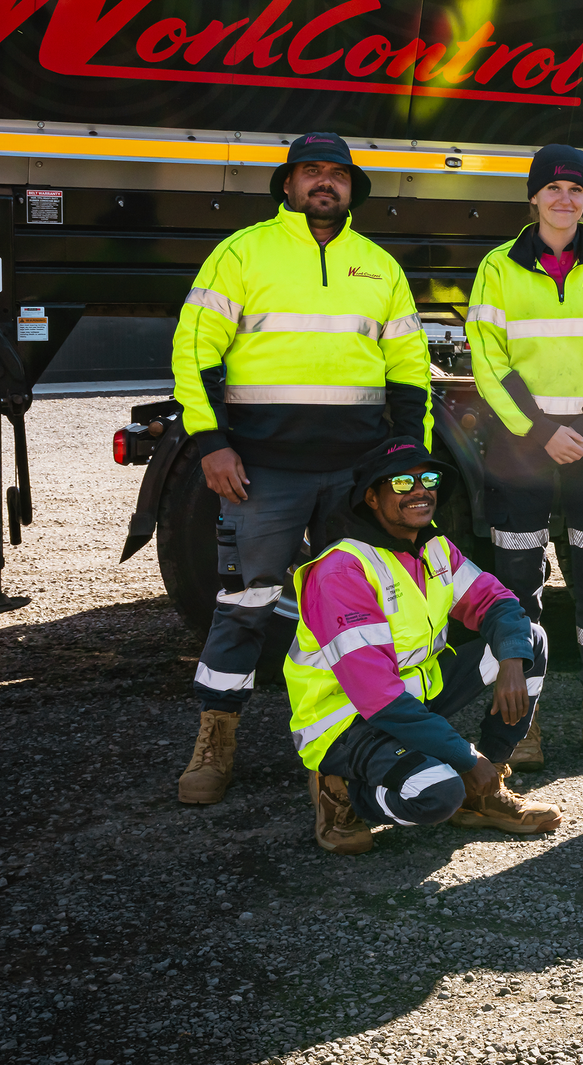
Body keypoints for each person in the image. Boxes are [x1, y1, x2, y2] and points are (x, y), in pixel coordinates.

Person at [169, 133, 432, 805]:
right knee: (246, 606)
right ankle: (215, 743)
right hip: (265, 473)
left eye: (336, 174)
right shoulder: (242, 254)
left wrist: (406, 460)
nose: (324, 184)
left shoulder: (379, 267)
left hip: (355, 477)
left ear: (352, 188)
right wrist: (211, 444)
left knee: (367, 617)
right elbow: (194, 354)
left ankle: (364, 751)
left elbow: (408, 374)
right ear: (286, 185)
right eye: (310, 172)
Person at [465, 144, 583, 770]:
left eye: (576, 190)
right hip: (521, 449)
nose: (565, 199)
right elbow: (489, 361)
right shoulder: (497, 268)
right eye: (554, 188)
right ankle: (525, 716)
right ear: (533, 197)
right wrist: (543, 430)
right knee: (518, 586)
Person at [285, 438, 561, 852]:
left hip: (411, 698)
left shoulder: (433, 549)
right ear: (372, 499)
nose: (420, 490)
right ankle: (342, 792)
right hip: (345, 722)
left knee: (528, 642)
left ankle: (484, 792)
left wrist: (510, 662)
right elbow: (377, 696)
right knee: (438, 795)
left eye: (427, 478)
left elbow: (498, 602)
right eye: (401, 482)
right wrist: (466, 758)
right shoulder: (342, 570)